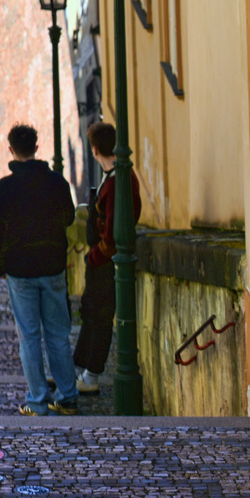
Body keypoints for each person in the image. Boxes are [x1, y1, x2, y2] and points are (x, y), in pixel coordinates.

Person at [0, 124, 78, 416]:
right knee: (58, 334)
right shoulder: (56, 183)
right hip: (51, 266)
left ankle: (38, 399)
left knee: (29, 335)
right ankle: (68, 397)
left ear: (11, 150)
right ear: (37, 148)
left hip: (20, 270)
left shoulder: (2, 189)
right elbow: (69, 217)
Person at [73, 122, 139, 392]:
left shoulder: (117, 181)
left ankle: (91, 374)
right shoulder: (113, 177)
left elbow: (113, 232)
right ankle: (80, 367)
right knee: (91, 312)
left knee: (99, 316)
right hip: (101, 260)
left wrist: (95, 257)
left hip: (105, 262)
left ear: (96, 149)